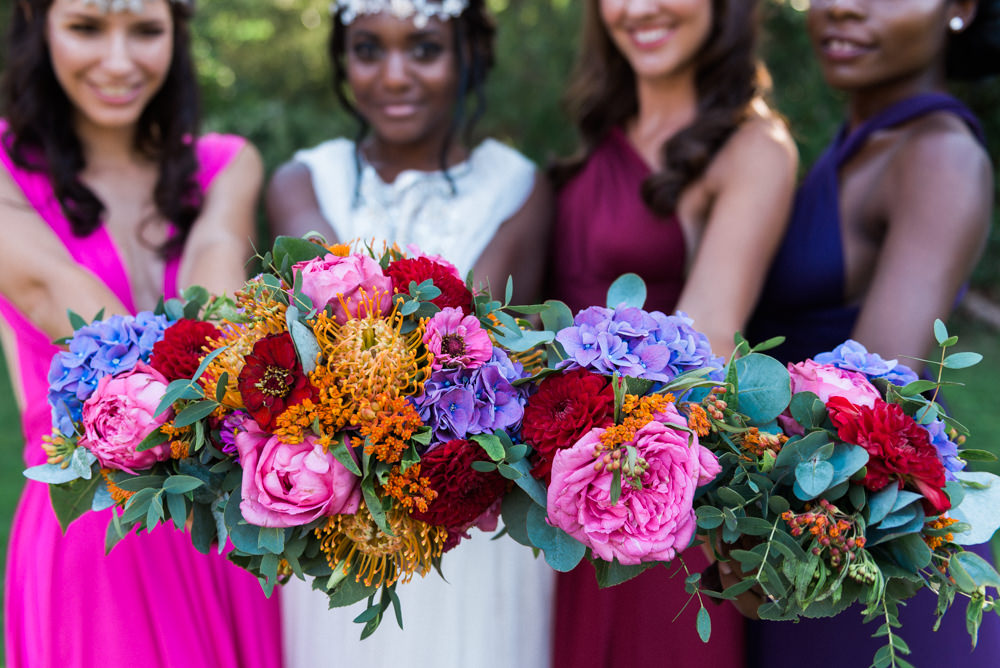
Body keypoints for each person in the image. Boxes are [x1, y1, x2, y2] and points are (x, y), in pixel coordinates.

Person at [266, 1, 553, 667]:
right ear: (343, 59)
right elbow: (329, 310)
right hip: (345, 515)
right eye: (369, 49)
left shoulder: (517, 185)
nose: (394, 75)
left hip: (470, 514)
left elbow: (480, 346)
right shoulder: (304, 179)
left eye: (423, 49)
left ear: (469, 55)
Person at [0, 1, 281, 666]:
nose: (120, 61)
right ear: (39, 26)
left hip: (221, 524)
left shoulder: (227, 163)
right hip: (93, 530)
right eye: (87, 27)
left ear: (177, 35)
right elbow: (53, 291)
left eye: (146, 30)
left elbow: (214, 292)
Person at [745, 1, 1000, 666]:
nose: (841, 7)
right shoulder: (860, 144)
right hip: (806, 530)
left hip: (863, 551)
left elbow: (873, 398)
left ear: (961, 9)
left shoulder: (940, 156)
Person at [545, 0, 797, 666]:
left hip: (649, 488)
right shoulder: (601, 132)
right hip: (558, 484)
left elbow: (704, 348)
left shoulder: (752, 148)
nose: (639, 8)